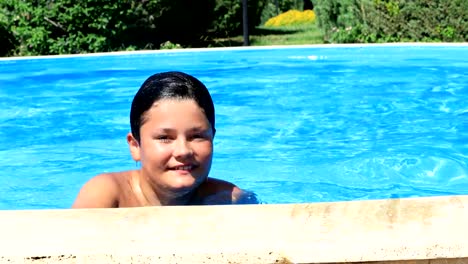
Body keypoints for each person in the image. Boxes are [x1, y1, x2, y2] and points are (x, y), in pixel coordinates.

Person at [72, 71, 257, 208]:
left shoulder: (229, 199)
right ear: (135, 145)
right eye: (164, 138)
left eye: (197, 136)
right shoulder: (107, 195)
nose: (183, 151)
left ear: (213, 138)